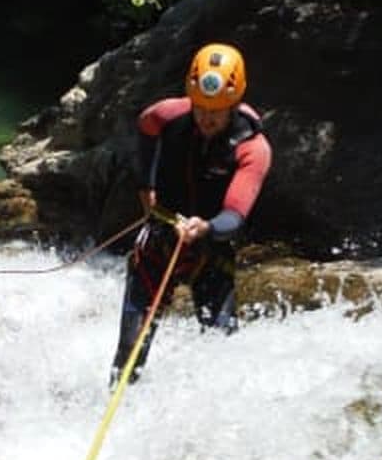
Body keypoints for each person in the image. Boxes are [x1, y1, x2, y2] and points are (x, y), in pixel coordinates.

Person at [109, 42, 272, 388]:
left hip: (210, 249)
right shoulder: (170, 114)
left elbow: (235, 215)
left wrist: (207, 227)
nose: (206, 118)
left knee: (222, 348)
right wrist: (146, 185)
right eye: (200, 107)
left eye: (217, 111)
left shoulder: (252, 148)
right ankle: (117, 402)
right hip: (160, 239)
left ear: (234, 104)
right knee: (130, 352)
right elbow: (146, 125)